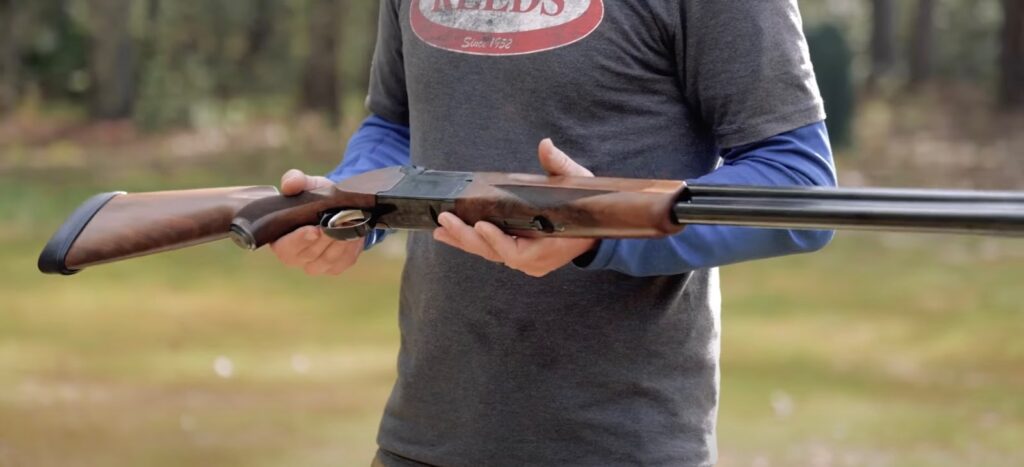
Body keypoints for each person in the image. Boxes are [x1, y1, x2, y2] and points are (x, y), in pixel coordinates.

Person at [272, 1, 837, 465]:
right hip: (422, 436)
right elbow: (397, 124)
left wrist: (599, 228)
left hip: (623, 445)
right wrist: (347, 207)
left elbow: (798, 186)